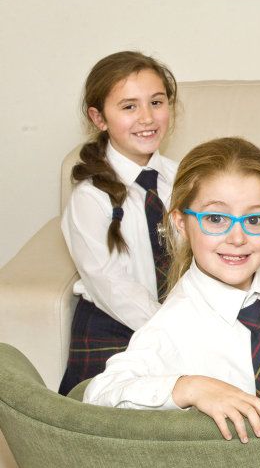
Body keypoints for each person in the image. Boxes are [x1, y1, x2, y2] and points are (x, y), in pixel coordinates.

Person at [85, 137, 260, 443]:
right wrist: (191, 387)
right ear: (181, 223)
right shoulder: (173, 325)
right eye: (216, 219)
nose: (237, 237)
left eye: (255, 219)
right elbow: (99, 396)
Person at [59, 51, 179, 395]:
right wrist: (173, 332)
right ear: (99, 118)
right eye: (129, 107)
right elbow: (111, 284)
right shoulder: (90, 196)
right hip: (112, 327)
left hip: (175, 323)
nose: (147, 118)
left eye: (156, 102)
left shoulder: (182, 178)